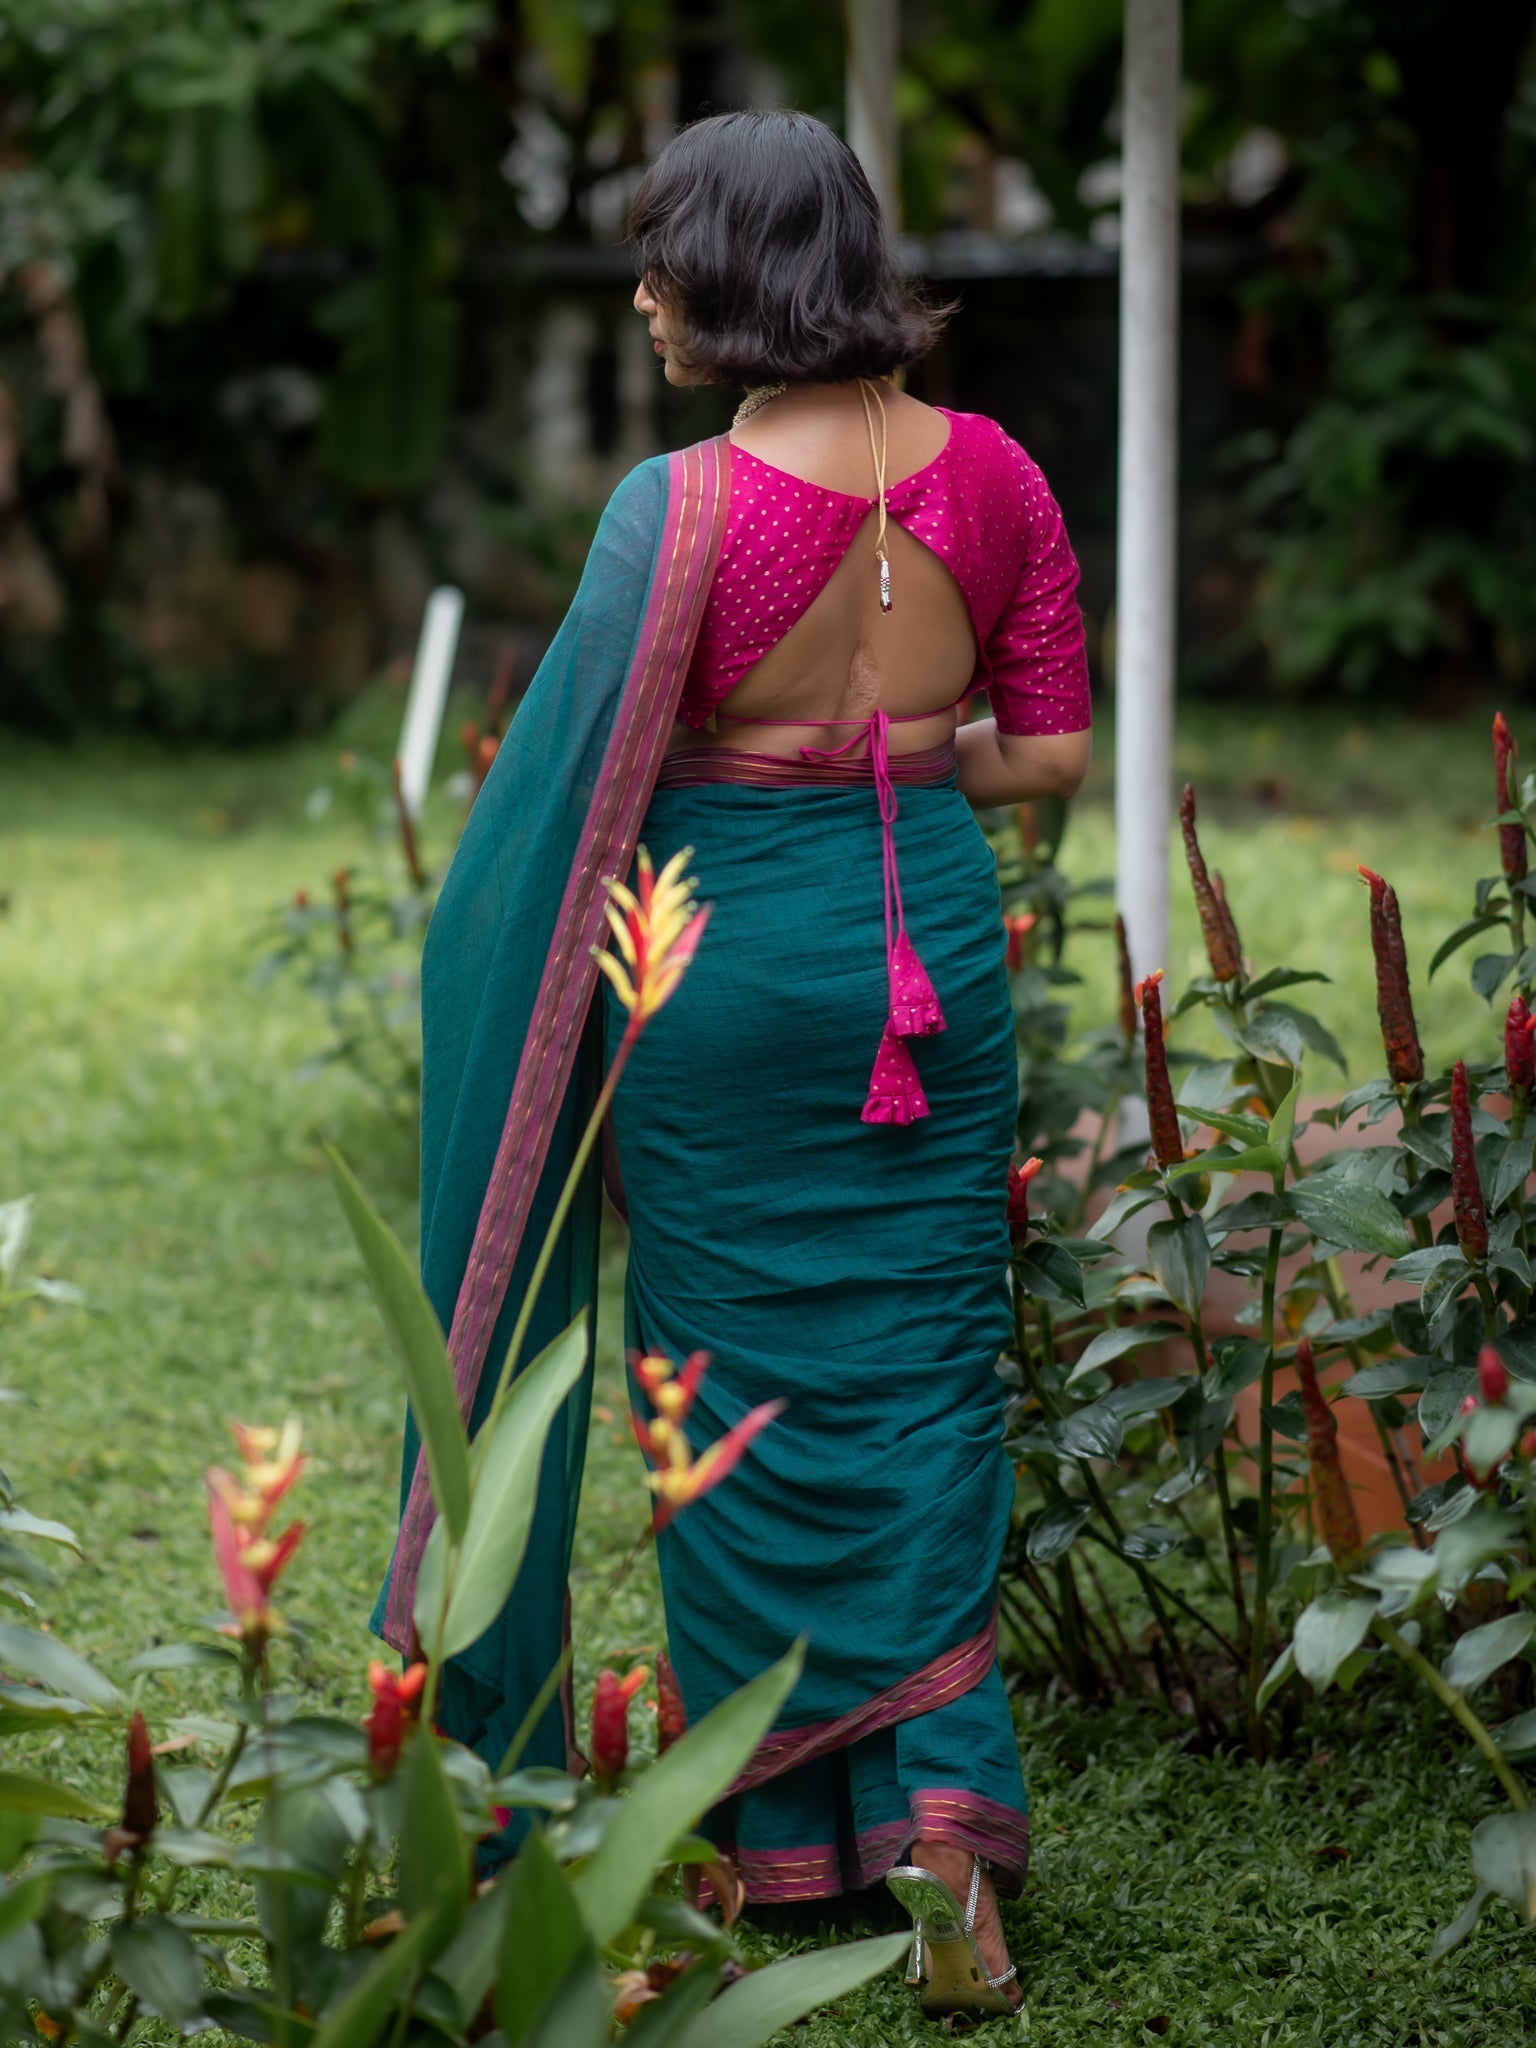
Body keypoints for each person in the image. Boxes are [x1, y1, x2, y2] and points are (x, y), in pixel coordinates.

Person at [374, 107, 1091, 2026]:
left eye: (662, 258)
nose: (642, 294)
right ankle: (942, 1847)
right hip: (929, 967)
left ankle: (772, 1831)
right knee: (927, 1380)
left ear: (736, 273)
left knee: (733, 1389)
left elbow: (566, 802)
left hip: (724, 977)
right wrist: (897, 760)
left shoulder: (678, 508)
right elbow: (1045, 761)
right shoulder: (1000, 474)